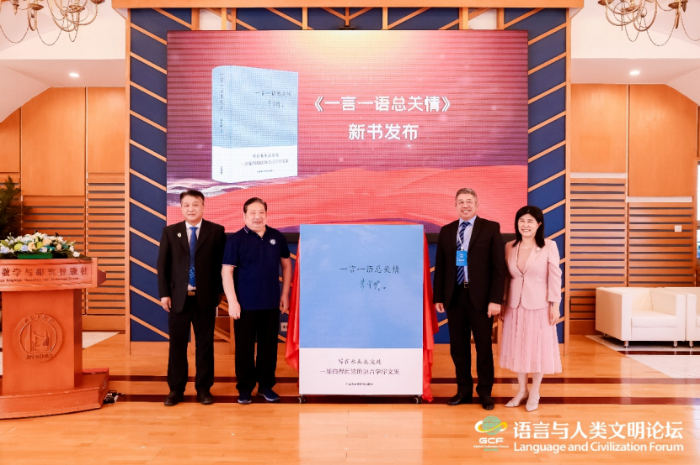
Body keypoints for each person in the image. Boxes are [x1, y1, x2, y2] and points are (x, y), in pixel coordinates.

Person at [433, 188, 507, 410]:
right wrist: (439, 297)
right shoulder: (447, 231)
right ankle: (463, 390)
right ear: (455, 206)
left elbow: (498, 268)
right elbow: (441, 266)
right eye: (461, 202)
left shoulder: (490, 228)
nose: (465, 205)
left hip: (481, 299)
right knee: (458, 348)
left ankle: (485, 392)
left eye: (469, 201)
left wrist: (495, 299)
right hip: (454, 296)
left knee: (483, 347)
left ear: (477, 204)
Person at [157, 189, 227, 406]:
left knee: (205, 345)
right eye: (186, 205)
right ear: (181, 208)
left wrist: (220, 293)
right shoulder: (170, 232)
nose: (191, 209)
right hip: (178, 298)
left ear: (203, 207)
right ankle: (176, 389)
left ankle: (204, 388)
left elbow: (221, 265)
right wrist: (164, 294)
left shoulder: (216, 231)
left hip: (205, 298)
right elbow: (163, 265)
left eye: (195, 204)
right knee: (177, 345)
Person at [222, 197, 292, 405]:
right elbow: (226, 272)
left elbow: (286, 266)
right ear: (244, 216)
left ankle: (265, 386)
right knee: (244, 348)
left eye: (261, 212)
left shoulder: (276, 237)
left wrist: (284, 294)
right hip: (244, 304)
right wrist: (232, 301)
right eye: (252, 213)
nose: (257, 217)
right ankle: (245, 388)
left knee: (268, 347)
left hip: (271, 302)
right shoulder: (236, 240)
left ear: (266, 214)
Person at [500, 205, 562, 412]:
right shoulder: (509, 246)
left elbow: (555, 277)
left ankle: (535, 391)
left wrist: (555, 305)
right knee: (519, 348)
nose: (525, 225)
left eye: (530, 221)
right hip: (514, 306)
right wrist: (503, 301)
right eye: (521, 221)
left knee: (537, 348)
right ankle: (521, 390)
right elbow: (506, 277)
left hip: (539, 306)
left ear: (538, 225)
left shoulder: (549, 246)